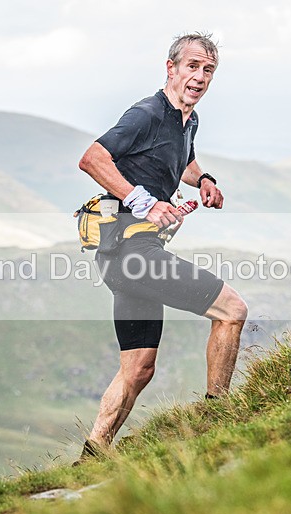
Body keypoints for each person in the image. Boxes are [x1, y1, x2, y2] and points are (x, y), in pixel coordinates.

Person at [76, 32, 248, 462]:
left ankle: (91, 457)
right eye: (192, 67)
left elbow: (181, 157)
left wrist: (204, 179)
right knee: (232, 311)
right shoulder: (147, 114)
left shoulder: (187, 119)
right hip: (135, 254)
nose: (200, 77)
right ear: (170, 68)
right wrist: (145, 202)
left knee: (137, 369)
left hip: (122, 258)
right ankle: (218, 417)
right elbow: (93, 158)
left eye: (208, 70)